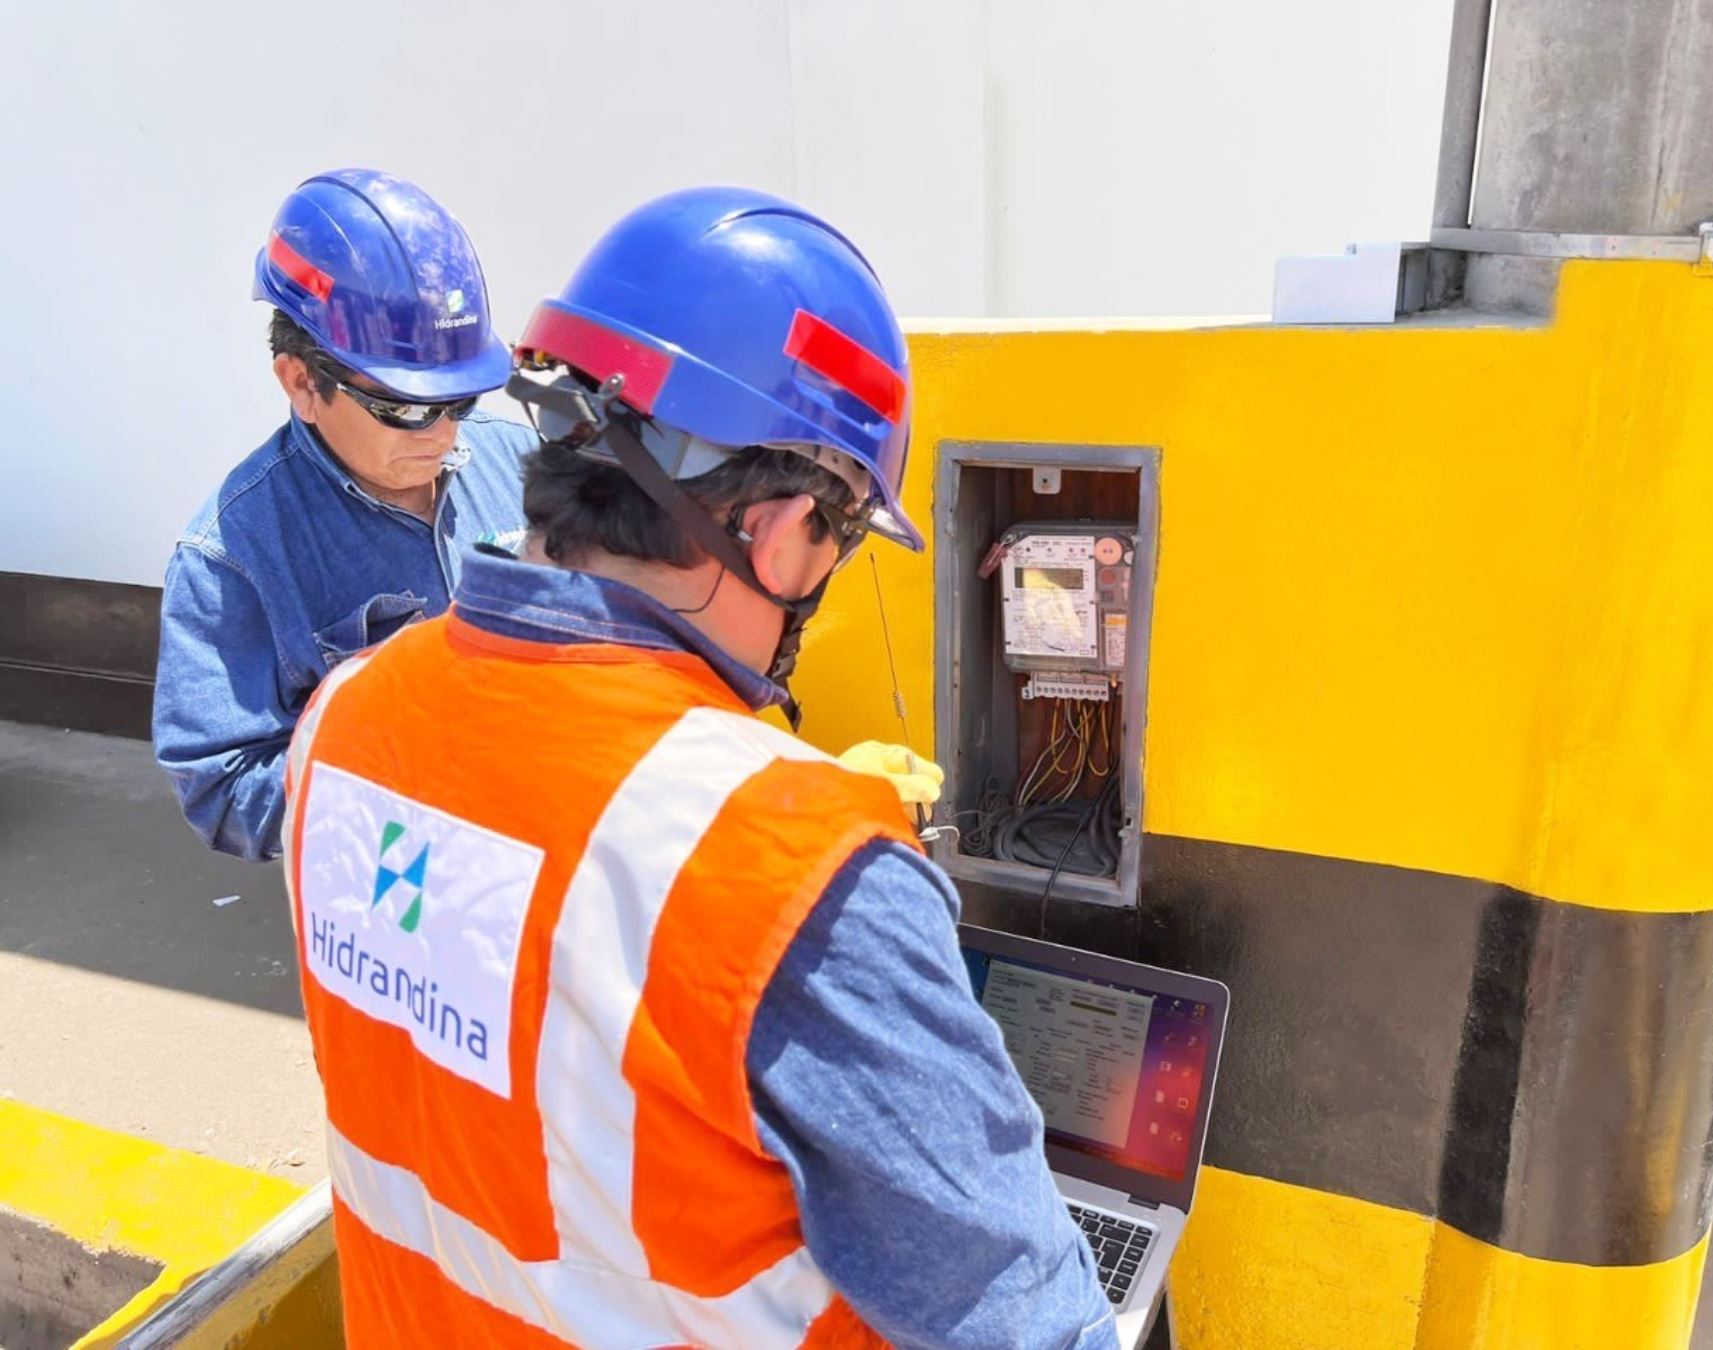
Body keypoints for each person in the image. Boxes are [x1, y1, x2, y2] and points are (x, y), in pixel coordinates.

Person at [281, 187, 1116, 1348]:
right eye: (839, 540)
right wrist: (812, 855)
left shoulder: (342, 721)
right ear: (781, 532)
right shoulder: (797, 872)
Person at [153, 169, 538, 861]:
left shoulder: (521, 465)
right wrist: (412, 779)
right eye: (405, 407)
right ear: (302, 382)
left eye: (461, 401)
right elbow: (223, 788)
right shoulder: (232, 559)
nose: (443, 434)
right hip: (393, 878)